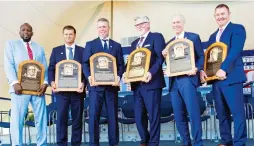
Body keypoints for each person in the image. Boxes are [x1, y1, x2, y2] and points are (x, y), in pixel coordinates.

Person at [200, 4, 247, 146]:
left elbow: (235, 51)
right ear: (215, 17)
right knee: (221, 114)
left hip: (231, 78)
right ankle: (226, 141)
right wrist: (203, 71)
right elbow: (208, 58)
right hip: (216, 81)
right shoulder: (212, 36)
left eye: (223, 14)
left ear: (229, 14)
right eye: (218, 15)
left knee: (237, 113)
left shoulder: (237, 29)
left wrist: (224, 69)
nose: (220, 17)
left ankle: (239, 142)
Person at [162, 14, 204, 146]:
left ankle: (198, 143)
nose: (176, 25)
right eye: (173, 23)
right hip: (174, 82)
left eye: (178, 22)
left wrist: (196, 68)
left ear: (183, 23)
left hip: (188, 79)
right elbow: (170, 63)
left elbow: (201, 57)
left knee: (193, 113)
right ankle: (186, 142)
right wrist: (164, 56)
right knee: (178, 116)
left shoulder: (193, 37)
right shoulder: (169, 44)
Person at [123, 16, 165, 146]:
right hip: (137, 85)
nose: (139, 26)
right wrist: (125, 73)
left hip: (152, 83)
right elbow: (131, 62)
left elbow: (160, 58)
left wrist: (150, 73)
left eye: (141, 23)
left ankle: (153, 142)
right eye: (137, 25)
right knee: (138, 116)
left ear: (148, 24)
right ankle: (145, 139)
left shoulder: (156, 37)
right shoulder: (134, 43)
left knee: (153, 115)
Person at [4, 23, 48, 146]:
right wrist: (14, 83)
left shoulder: (39, 48)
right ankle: (17, 144)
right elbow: (8, 65)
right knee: (17, 119)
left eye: (28, 30)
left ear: (32, 33)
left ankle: (42, 143)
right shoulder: (11, 45)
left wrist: (45, 83)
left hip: (38, 89)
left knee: (41, 118)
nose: (26, 32)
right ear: (19, 32)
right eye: (23, 30)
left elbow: (44, 66)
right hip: (19, 89)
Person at [82, 18, 124, 146]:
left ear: (108, 28)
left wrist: (118, 76)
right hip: (95, 88)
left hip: (111, 88)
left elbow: (121, 65)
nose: (102, 29)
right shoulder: (90, 44)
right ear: (97, 29)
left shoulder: (116, 45)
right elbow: (85, 64)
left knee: (113, 117)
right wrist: (89, 76)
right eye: (100, 27)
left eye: (104, 27)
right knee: (94, 117)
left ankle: (114, 143)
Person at [48, 25, 86, 146]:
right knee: (61, 120)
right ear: (63, 35)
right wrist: (52, 82)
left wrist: (83, 83)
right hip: (61, 93)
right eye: (66, 34)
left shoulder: (83, 50)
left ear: (75, 35)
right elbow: (51, 69)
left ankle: (76, 144)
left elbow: (86, 69)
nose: (68, 36)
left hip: (78, 92)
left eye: (70, 34)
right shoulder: (56, 50)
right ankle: (61, 143)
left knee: (77, 120)